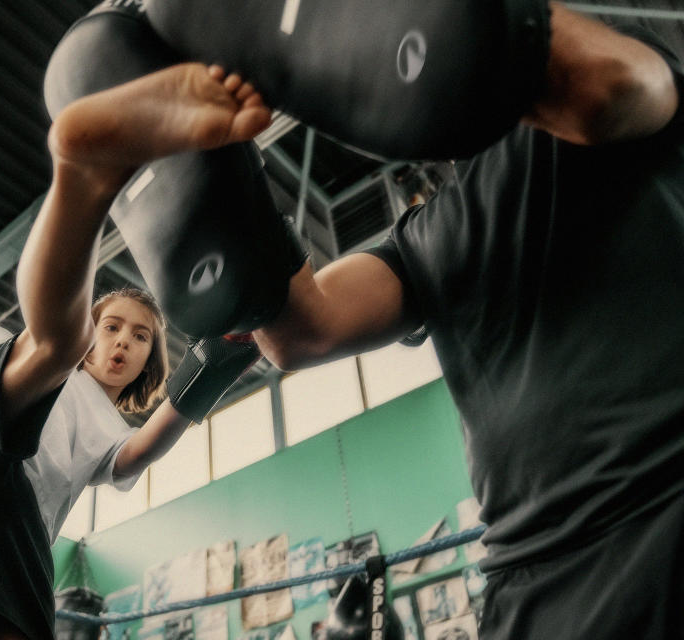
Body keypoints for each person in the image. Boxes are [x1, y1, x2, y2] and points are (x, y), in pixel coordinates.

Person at [253, 4, 683, 638]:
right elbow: (297, 332)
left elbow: (609, 90)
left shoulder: (622, 54)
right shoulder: (426, 236)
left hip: (663, 505)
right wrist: (221, 159)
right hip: (536, 577)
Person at [0, 63, 271, 640]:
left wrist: (215, 366)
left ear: (150, 360)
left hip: (2, 525)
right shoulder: (22, 354)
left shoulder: (111, 428)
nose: (123, 342)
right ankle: (87, 173)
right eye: (114, 327)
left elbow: (137, 455)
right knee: (52, 346)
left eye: (139, 337)